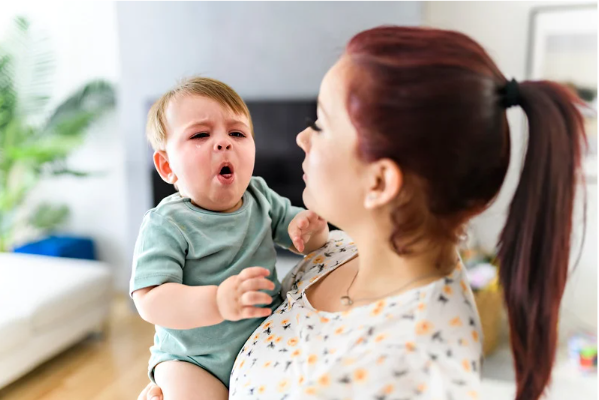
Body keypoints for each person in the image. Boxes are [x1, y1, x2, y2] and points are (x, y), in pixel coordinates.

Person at [139, 26, 585, 400]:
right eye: (200, 135)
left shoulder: (403, 369)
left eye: (322, 123)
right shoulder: (344, 251)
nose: (301, 138)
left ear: (380, 181)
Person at [130, 77, 329, 399]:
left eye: (236, 133)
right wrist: (217, 302)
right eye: (200, 135)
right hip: (192, 360)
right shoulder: (166, 223)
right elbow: (150, 301)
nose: (224, 143)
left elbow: (308, 244)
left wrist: (313, 229)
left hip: (264, 338)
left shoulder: (260, 195)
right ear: (167, 166)